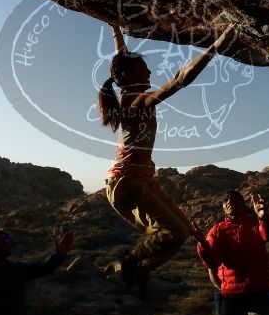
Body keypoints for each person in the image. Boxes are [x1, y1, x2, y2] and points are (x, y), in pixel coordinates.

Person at [99, 22, 235, 298]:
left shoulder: (130, 91)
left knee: (183, 231)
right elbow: (179, 79)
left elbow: (122, 59)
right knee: (174, 233)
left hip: (142, 180)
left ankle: (136, 270)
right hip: (126, 183)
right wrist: (216, 47)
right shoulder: (135, 104)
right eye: (143, 68)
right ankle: (129, 264)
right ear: (128, 75)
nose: (149, 71)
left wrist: (115, 30)